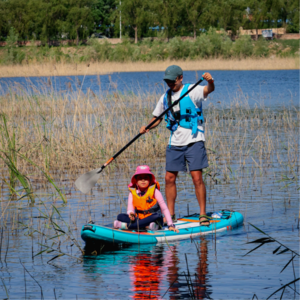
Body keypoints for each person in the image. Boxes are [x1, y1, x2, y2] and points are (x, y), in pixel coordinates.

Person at [139, 65, 215, 226]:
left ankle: (203, 214)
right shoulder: (165, 97)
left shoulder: (192, 90)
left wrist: (211, 81)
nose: (170, 84)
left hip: (194, 139)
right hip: (175, 142)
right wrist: (147, 127)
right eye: (167, 81)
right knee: (169, 178)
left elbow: (209, 90)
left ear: (180, 78)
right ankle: (170, 214)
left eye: (172, 81)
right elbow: (157, 118)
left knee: (196, 178)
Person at [114, 165, 178, 232]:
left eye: (145, 178)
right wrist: (131, 214)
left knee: (156, 216)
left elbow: (164, 209)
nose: (143, 180)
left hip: (154, 219)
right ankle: (146, 226)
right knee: (120, 216)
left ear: (150, 179)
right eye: (140, 178)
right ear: (136, 180)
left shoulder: (155, 191)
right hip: (139, 219)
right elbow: (130, 209)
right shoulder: (132, 193)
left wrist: (170, 225)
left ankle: (127, 226)